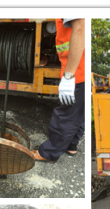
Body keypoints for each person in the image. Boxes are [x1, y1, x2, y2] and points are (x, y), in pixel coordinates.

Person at [32, 18, 85, 163]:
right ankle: (71, 145)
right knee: (78, 111)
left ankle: (49, 153)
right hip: (81, 69)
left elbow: (80, 29)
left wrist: (69, 76)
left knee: (66, 114)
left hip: (78, 71)